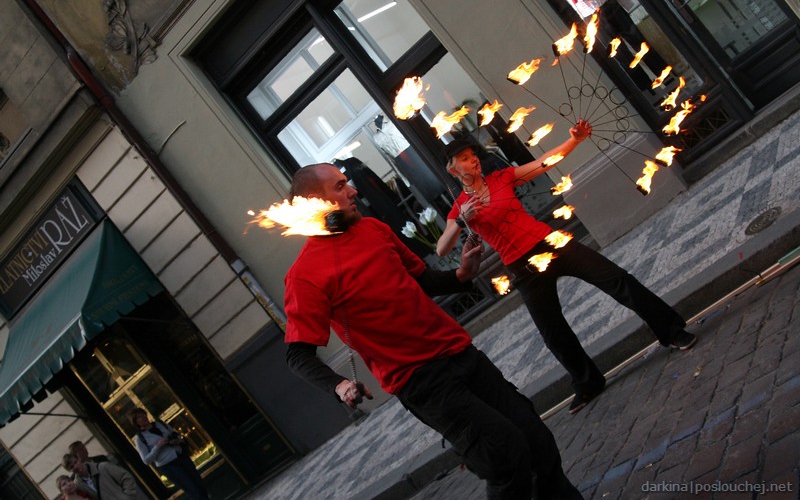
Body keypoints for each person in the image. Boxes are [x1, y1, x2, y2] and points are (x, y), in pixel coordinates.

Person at [284, 163, 583, 499]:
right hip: (421, 381)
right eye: (340, 187)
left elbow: (422, 279)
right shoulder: (304, 275)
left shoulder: (374, 229)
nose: (353, 191)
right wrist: (338, 385)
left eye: (348, 184)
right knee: (504, 454)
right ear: (315, 202)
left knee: (535, 437)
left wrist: (461, 275)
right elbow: (297, 354)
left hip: (459, 352)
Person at [437, 120, 697, 414]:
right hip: (523, 268)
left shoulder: (502, 178)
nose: (473, 160)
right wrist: (461, 221)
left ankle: (673, 332)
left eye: (473, 155)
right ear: (453, 169)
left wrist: (575, 140)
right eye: (464, 158)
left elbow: (545, 163)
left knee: (618, 280)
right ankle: (588, 383)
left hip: (552, 243)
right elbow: (442, 248)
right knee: (554, 333)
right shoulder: (459, 208)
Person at [129, 408, 210, 500]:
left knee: (200, 484)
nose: (143, 417)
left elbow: (174, 434)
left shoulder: (160, 424)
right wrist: (157, 446)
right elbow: (146, 460)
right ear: (136, 423)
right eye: (139, 417)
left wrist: (176, 440)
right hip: (169, 466)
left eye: (143, 414)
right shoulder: (140, 439)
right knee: (193, 489)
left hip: (181, 456)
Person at [61, 453, 137, 500]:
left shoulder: (103, 467)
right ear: (69, 471)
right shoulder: (77, 485)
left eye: (75, 462)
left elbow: (126, 477)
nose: (76, 466)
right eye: (71, 466)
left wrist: (128, 497)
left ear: (79, 459)